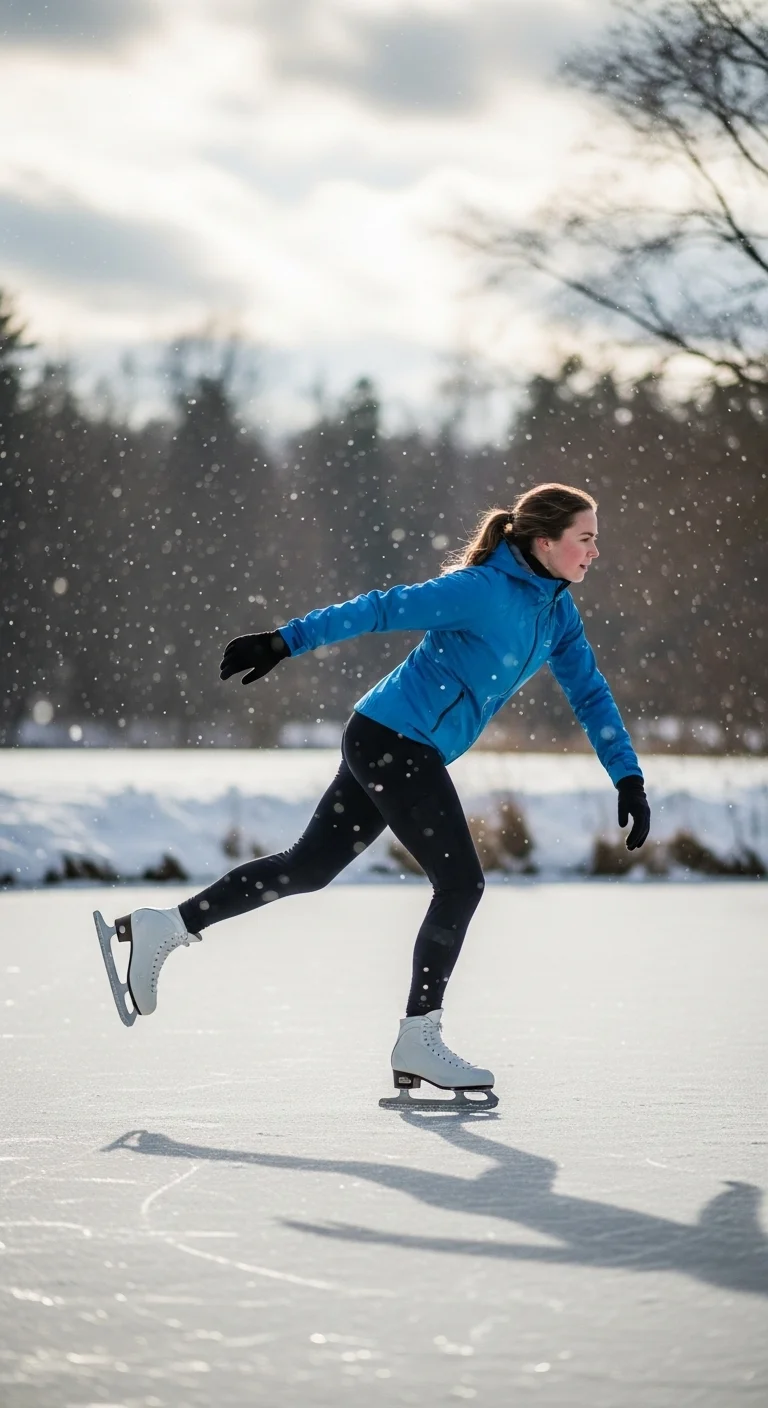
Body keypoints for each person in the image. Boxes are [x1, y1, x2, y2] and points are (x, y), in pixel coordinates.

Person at [95, 482, 650, 1104]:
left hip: (392, 740)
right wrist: (284, 641)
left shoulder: (557, 613)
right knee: (461, 883)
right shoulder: (481, 591)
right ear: (545, 542)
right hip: (394, 742)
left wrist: (627, 775)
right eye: (586, 539)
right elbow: (383, 608)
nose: (594, 552)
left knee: (307, 868)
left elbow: (590, 693)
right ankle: (419, 1037)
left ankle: (161, 927)